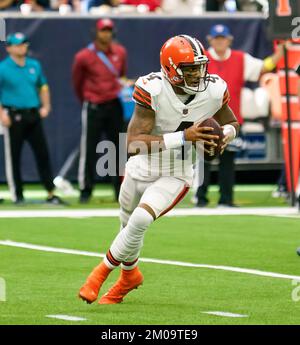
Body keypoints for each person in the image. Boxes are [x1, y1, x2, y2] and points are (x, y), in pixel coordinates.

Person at [78, 34, 239, 305]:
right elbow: (133, 143)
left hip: (177, 171)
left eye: (199, 67)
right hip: (142, 164)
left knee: (140, 220)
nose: (197, 74)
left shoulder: (214, 89)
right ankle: (130, 276)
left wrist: (226, 135)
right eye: (189, 69)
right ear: (170, 69)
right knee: (127, 226)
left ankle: (100, 273)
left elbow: (231, 121)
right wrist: (184, 137)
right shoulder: (152, 88)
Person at [195, 24, 286, 207]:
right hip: (204, 119)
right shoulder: (201, 60)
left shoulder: (241, 59)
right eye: (216, 39)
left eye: (223, 39)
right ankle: (200, 197)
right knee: (203, 159)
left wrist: (281, 51)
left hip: (231, 121)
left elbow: (264, 67)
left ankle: (226, 199)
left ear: (229, 40)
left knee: (228, 161)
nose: (220, 42)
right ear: (210, 40)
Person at [0, 32, 66, 205]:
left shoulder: (34, 65)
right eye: (19, 44)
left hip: (33, 114)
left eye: (25, 44)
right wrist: (1, 114)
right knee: (14, 156)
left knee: (42, 153)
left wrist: (46, 106)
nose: (23, 47)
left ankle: (50, 192)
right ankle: (17, 194)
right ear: (9, 48)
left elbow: (43, 86)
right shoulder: (3, 68)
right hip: (13, 115)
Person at [72, 18, 128, 203]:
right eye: (103, 30)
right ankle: (85, 190)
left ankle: (120, 190)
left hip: (114, 106)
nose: (106, 34)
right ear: (96, 32)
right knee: (89, 149)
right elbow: (77, 83)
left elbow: (121, 77)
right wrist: (88, 99)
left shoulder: (120, 52)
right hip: (94, 106)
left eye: (109, 30)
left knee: (118, 149)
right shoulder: (84, 56)